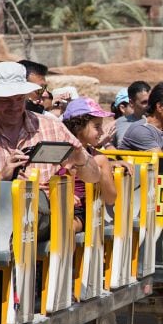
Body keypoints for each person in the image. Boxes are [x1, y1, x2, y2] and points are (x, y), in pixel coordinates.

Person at [0, 62, 100, 239]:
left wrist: (80, 159)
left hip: (44, 219)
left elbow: (93, 177)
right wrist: (2, 178)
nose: (14, 106)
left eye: (19, 99)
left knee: (33, 200)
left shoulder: (51, 127)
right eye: (5, 100)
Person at [61, 97, 128, 231]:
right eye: (97, 127)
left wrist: (103, 170)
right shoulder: (58, 151)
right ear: (79, 127)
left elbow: (110, 198)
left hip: (80, 212)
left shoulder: (99, 158)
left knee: (66, 227)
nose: (102, 132)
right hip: (56, 205)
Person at [112, 80, 150, 147]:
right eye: (144, 102)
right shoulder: (122, 123)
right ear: (132, 103)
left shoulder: (161, 120)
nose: (149, 105)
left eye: (150, 101)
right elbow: (123, 150)